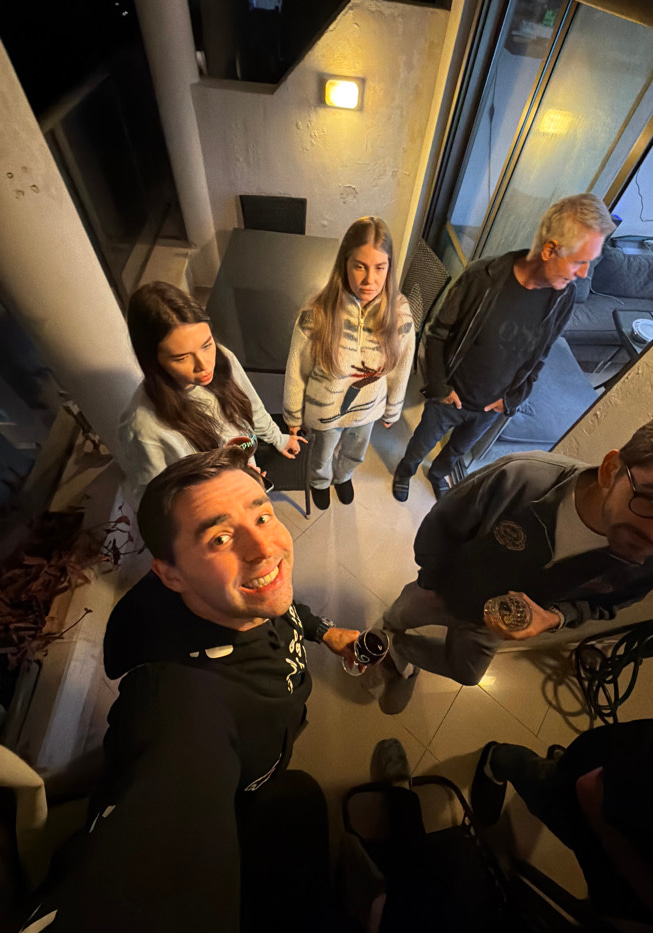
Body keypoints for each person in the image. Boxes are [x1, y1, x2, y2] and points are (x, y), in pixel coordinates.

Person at [23, 447, 361, 932]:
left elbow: (284, 607)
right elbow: (146, 873)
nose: (264, 548)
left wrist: (325, 632)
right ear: (170, 573)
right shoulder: (180, 705)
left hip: (265, 763)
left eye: (262, 516)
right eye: (220, 538)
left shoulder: (242, 599)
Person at [380, 412, 653, 711]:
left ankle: (400, 653)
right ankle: (386, 644)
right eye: (652, 499)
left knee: (467, 673)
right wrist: (432, 580)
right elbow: (442, 525)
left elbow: (604, 605)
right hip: (443, 590)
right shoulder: (522, 477)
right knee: (397, 617)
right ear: (610, 470)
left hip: (493, 626)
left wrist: (554, 618)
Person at [392, 194, 616, 502]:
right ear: (549, 250)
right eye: (580, 261)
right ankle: (405, 471)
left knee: (457, 450)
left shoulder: (563, 298)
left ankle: (437, 473)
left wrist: (511, 399)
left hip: (491, 407)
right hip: (450, 397)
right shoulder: (482, 277)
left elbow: (541, 356)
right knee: (421, 442)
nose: (583, 274)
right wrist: (440, 386)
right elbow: (437, 333)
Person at [470, 718, 653, 931]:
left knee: (572, 785)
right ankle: (501, 759)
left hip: (634, 791)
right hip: (607, 783)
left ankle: (560, 764)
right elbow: (593, 789)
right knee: (553, 792)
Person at [120, 280, 303, 506]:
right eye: (181, 357)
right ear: (152, 361)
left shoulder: (223, 359)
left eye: (206, 345)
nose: (204, 365)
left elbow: (251, 405)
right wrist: (223, 494)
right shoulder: (144, 428)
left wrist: (278, 439)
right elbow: (156, 504)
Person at [284, 216, 414, 510]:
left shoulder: (400, 313)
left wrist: (393, 407)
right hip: (325, 411)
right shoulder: (316, 312)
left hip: (368, 409)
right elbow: (296, 370)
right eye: (360, 266)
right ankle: (319, 481)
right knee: (321, 453)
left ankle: (343, 476)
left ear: (390, 267)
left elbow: (401, 366)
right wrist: (293, 416)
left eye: (380, 267)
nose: (370, 280)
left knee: (356, 450)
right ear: (344, 263)